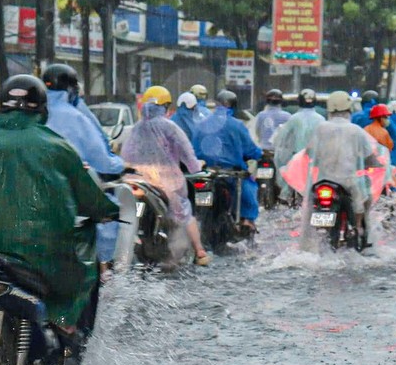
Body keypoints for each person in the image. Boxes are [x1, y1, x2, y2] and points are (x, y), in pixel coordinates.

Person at [0, 75, 118, 339]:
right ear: (41, 108)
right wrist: (108, 212)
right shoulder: (57, 147)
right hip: (40, 254)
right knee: (83, 271)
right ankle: (67, 334)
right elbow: (89, 197)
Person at [42, 63, 126, 267]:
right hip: (69, 192)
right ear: (71, 89)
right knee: (107, 213)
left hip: (31, 193)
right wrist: (119, 163)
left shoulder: (32, 116)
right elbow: (103, 160)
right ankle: (104, 266)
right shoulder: (76, 117)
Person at [121, 86, 211, 267]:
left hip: (136, 179)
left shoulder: (136, 128)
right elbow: (186, 151)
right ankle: (200, 252)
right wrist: (196, 167)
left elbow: (125, 154)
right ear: (165, 106)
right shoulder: (169, 126)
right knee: (184, 212)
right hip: (166, 181)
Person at [303, 91, 385, 248]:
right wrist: (376, 164)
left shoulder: (320, 128)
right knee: (362, 201)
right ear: (348, 109)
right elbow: (369, 157)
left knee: (309, 206)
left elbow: (309, 152)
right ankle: (358, 228)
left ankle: (311, 236)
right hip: (347, 182)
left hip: (322, 181)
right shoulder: (356, 130)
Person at [192, 90, 263, 232]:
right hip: (231, 173)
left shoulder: (201, 124)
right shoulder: (237, 125)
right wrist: (258, 154)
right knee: (249, 189)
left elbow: (193, 149)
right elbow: (250, 149)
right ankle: (246, 221)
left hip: (206, 172)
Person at [272, 88, 324, 203]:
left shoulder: (294, 118)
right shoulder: (321, 119)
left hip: (297, 159)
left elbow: (281, 138)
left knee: (288, 179)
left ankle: (285, 196)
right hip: (315, 159)